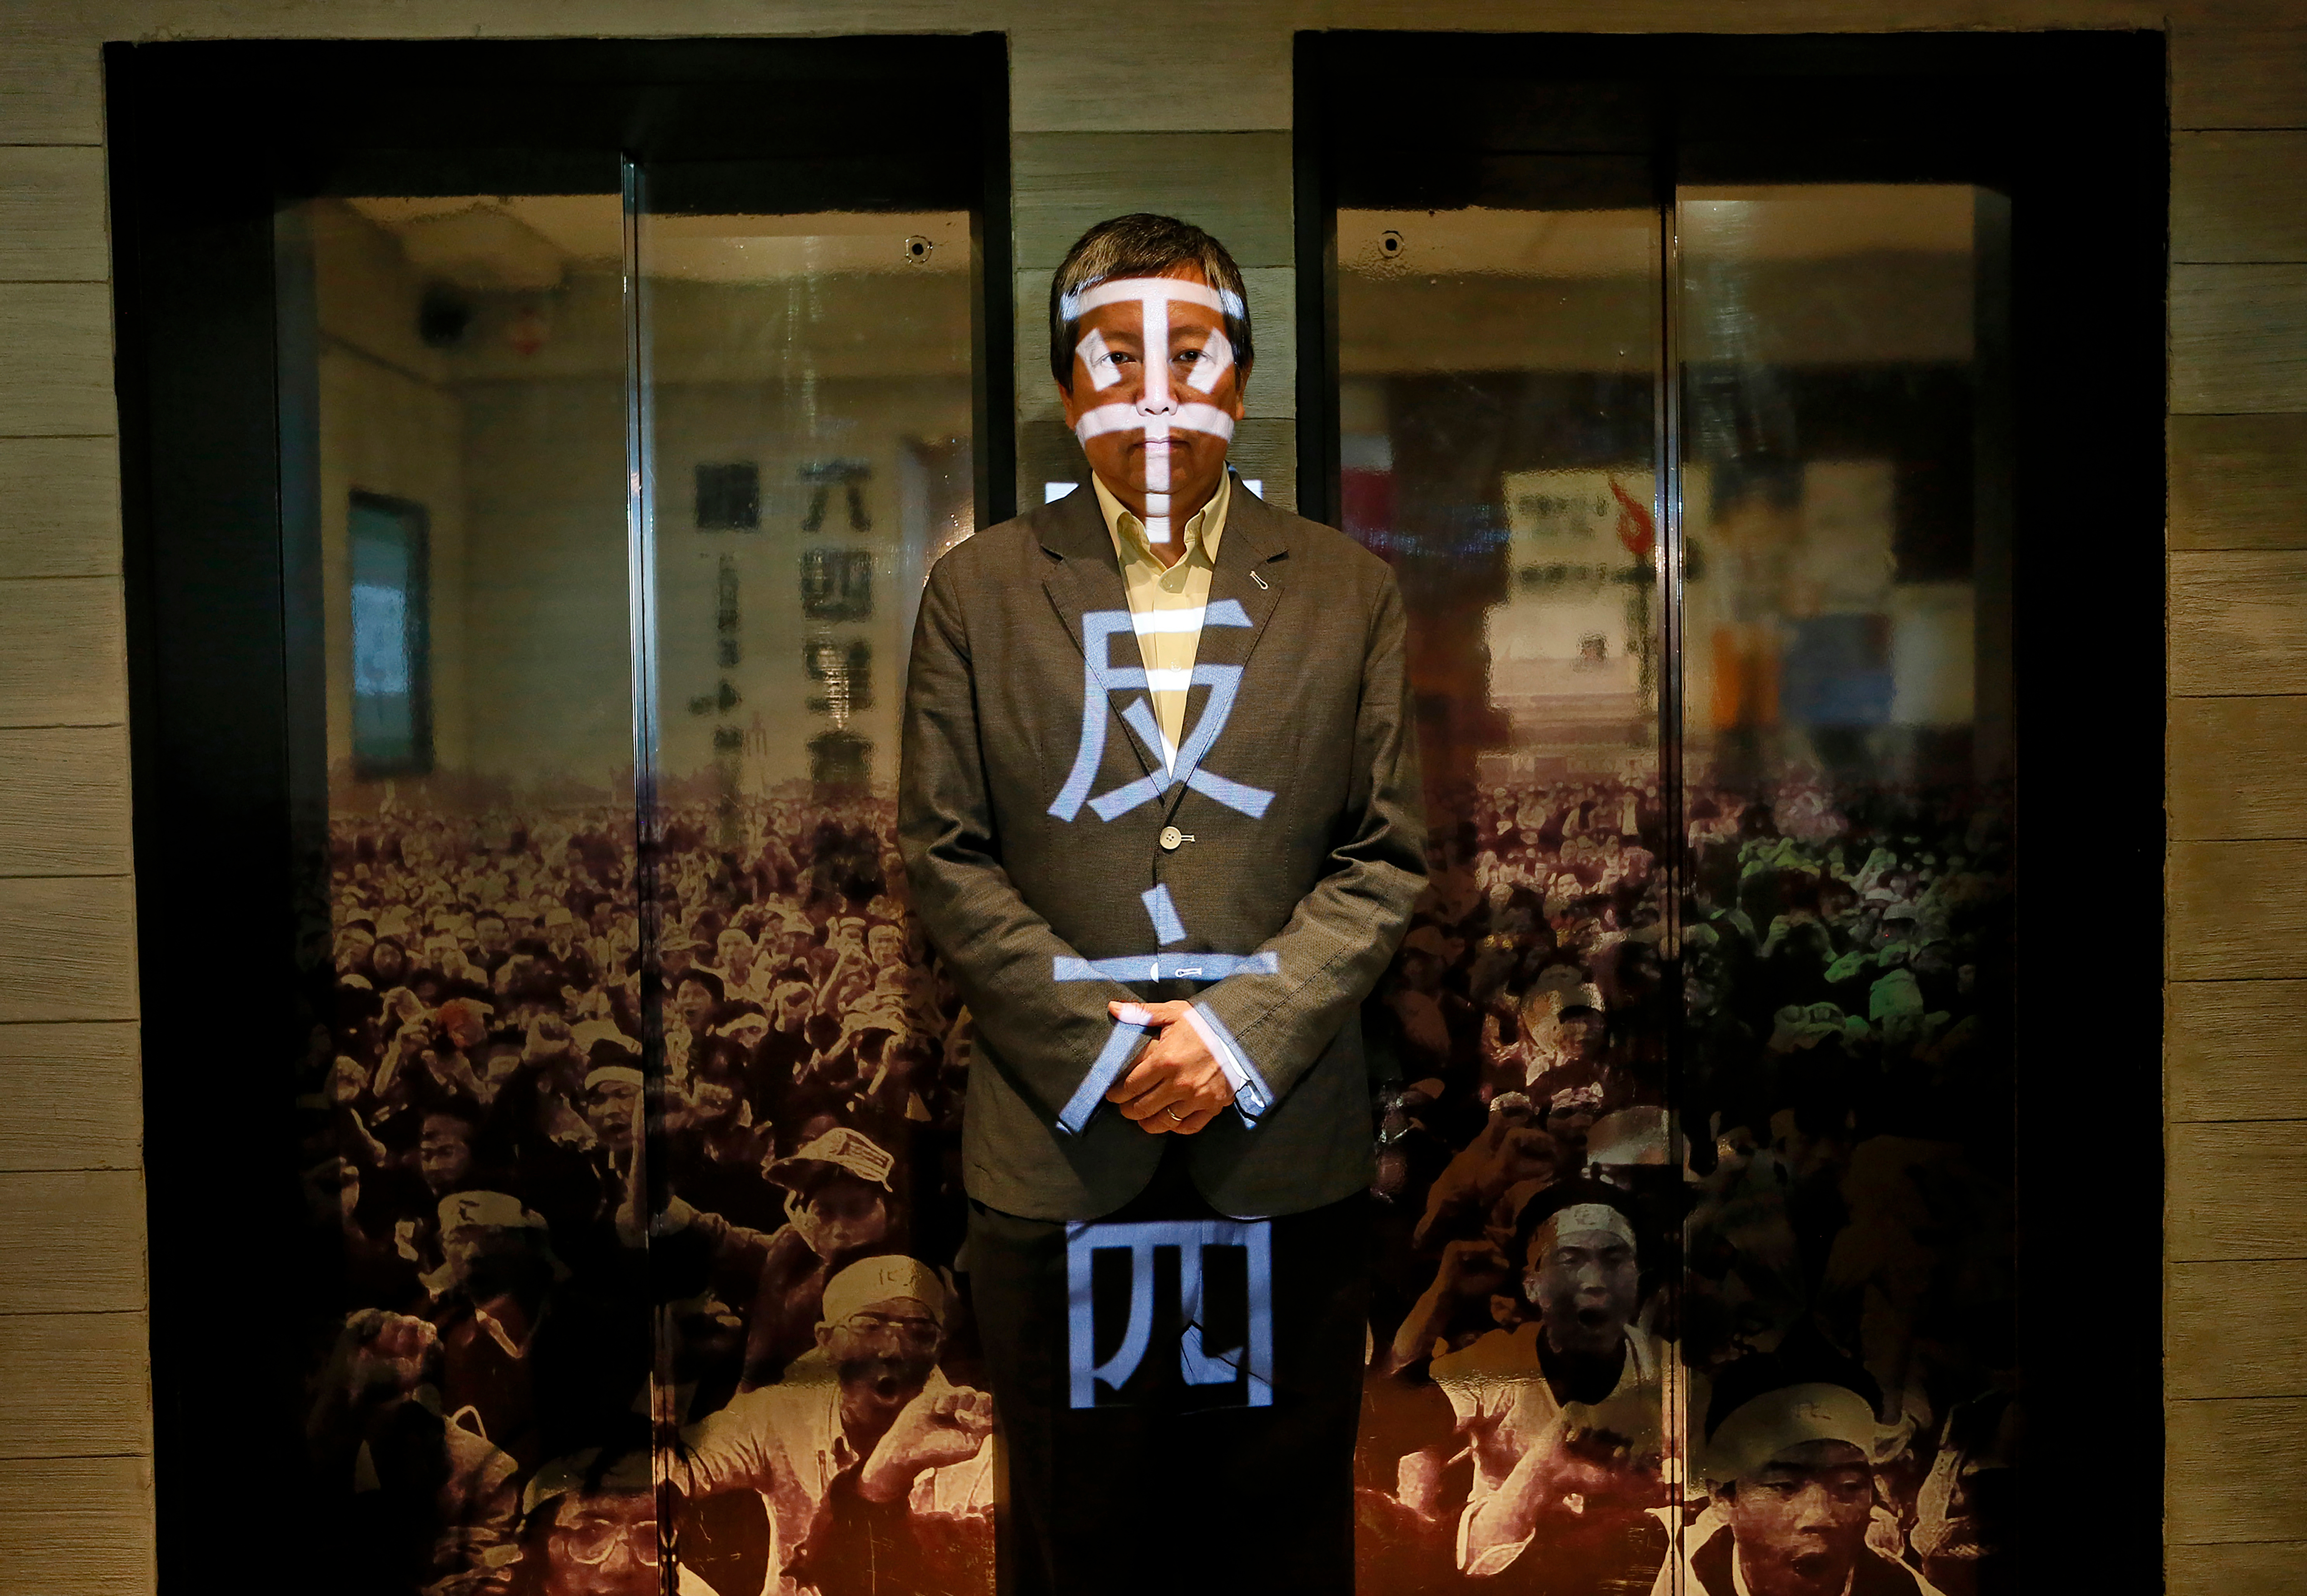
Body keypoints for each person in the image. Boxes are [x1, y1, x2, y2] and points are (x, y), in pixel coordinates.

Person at [899, 211, 1426, 1594]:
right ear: (1067, 388)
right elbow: (945, 854)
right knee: (1074, 1536)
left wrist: (1237, 1033)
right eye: (1111, 358)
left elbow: (1381, 857)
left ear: (1239, 382)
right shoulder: (975, 594)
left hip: (1282, 1152)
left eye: (1187, 355)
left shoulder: (1348, 593)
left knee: (1280, 1532)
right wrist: (1105, 1045)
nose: (1151, 392)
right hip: (1058, 1155)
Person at [670, 1255, 994, 1596]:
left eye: (920, 1333)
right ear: (827, 1341)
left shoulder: (973, 1438)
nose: (894, 1350)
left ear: (938, 1348)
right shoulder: (780, 1415)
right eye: (870, 1327)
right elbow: (655, 1471)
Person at [1432, 1180, 1670, 1587]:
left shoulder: (1670, 1371)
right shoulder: (1489, 1365)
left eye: (1615, 1260)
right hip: (1506, 1568)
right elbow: (1400, 1426)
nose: (1595, 1281)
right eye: (1570, 1260)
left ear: (1638, 1281)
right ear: (1533, 1286)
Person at [1661, 1349, 1947, 1596]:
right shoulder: (1671, 1578)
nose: (1820, 1517)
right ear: (1721, 1497)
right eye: (1784, 1485)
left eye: (1849, 1486)